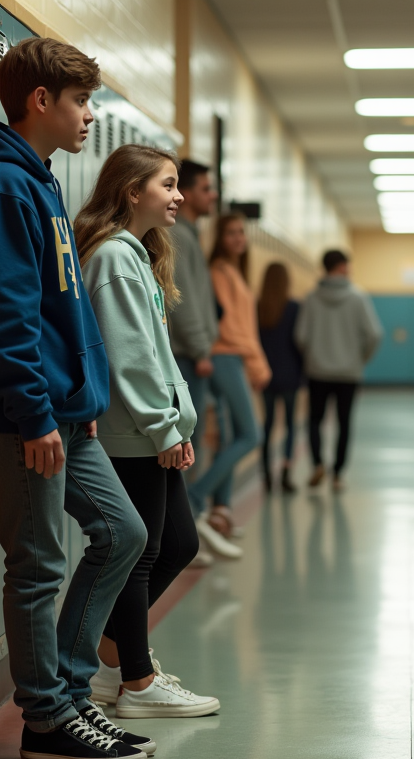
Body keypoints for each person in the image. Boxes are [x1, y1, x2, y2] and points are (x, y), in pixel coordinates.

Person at [0, 38, 149, 759]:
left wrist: (78, 395)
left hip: (65, 413)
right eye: (82, 102)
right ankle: (46, 720)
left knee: (121, 533)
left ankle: (66, 694)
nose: (91, 117)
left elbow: (59, 308)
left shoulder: (37, 181)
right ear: (43, 102)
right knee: (36, 565)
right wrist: (34, 411)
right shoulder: (3, 186)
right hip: (23, 419)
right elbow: (1, 316)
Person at [76, 143, 221, 720]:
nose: (179, 196)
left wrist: (174, 423)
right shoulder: (113, 257)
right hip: (131, 432)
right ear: (133, 191)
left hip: (149, 430)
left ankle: (114, 657)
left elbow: (155, 354)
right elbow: (130, 357)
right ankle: (136, 681)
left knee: (178, 544)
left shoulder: (135, 254)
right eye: (168, 184)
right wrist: (164, 428)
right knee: (142, 554)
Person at [186, 214, 270, 544]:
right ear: (220, 238)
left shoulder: (234, 271)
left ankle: (220, 509)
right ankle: (196, 496)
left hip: (232, 357)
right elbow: (233, 328)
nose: (238, 238)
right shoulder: (220, 272)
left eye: (241, 233)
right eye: (231, 233)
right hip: (224, 356)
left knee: (231, 435)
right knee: (251, 434)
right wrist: (257, 363)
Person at [166, 160, 222, 567]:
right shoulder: (180, 238)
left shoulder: (190, 235)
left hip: (194, 353)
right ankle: (183, 530)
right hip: (187, 357)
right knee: (185, 443)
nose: (212, 195)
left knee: (192, 442)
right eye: (206, 188)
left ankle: (191, 523)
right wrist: (202, 349)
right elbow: (183, 302)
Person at [295, 250, 383, 491]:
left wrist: (314, 357)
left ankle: (317, 465)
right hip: (349, 373)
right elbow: (375, 334)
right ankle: (337, 476)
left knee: (315, 420)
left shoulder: (312, 298)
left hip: (317, 372)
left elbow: (300, 336)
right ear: (342, 267)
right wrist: (359, 358)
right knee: (345, 423)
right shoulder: (358, 297)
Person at [257, 262, 304, 492]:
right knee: (289, 425)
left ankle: (266, 475)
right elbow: (300, 343)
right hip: (290, 375)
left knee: (267, 425)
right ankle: (286, 472)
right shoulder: (294, 307)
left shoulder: (258, 307)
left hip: (265, 376)